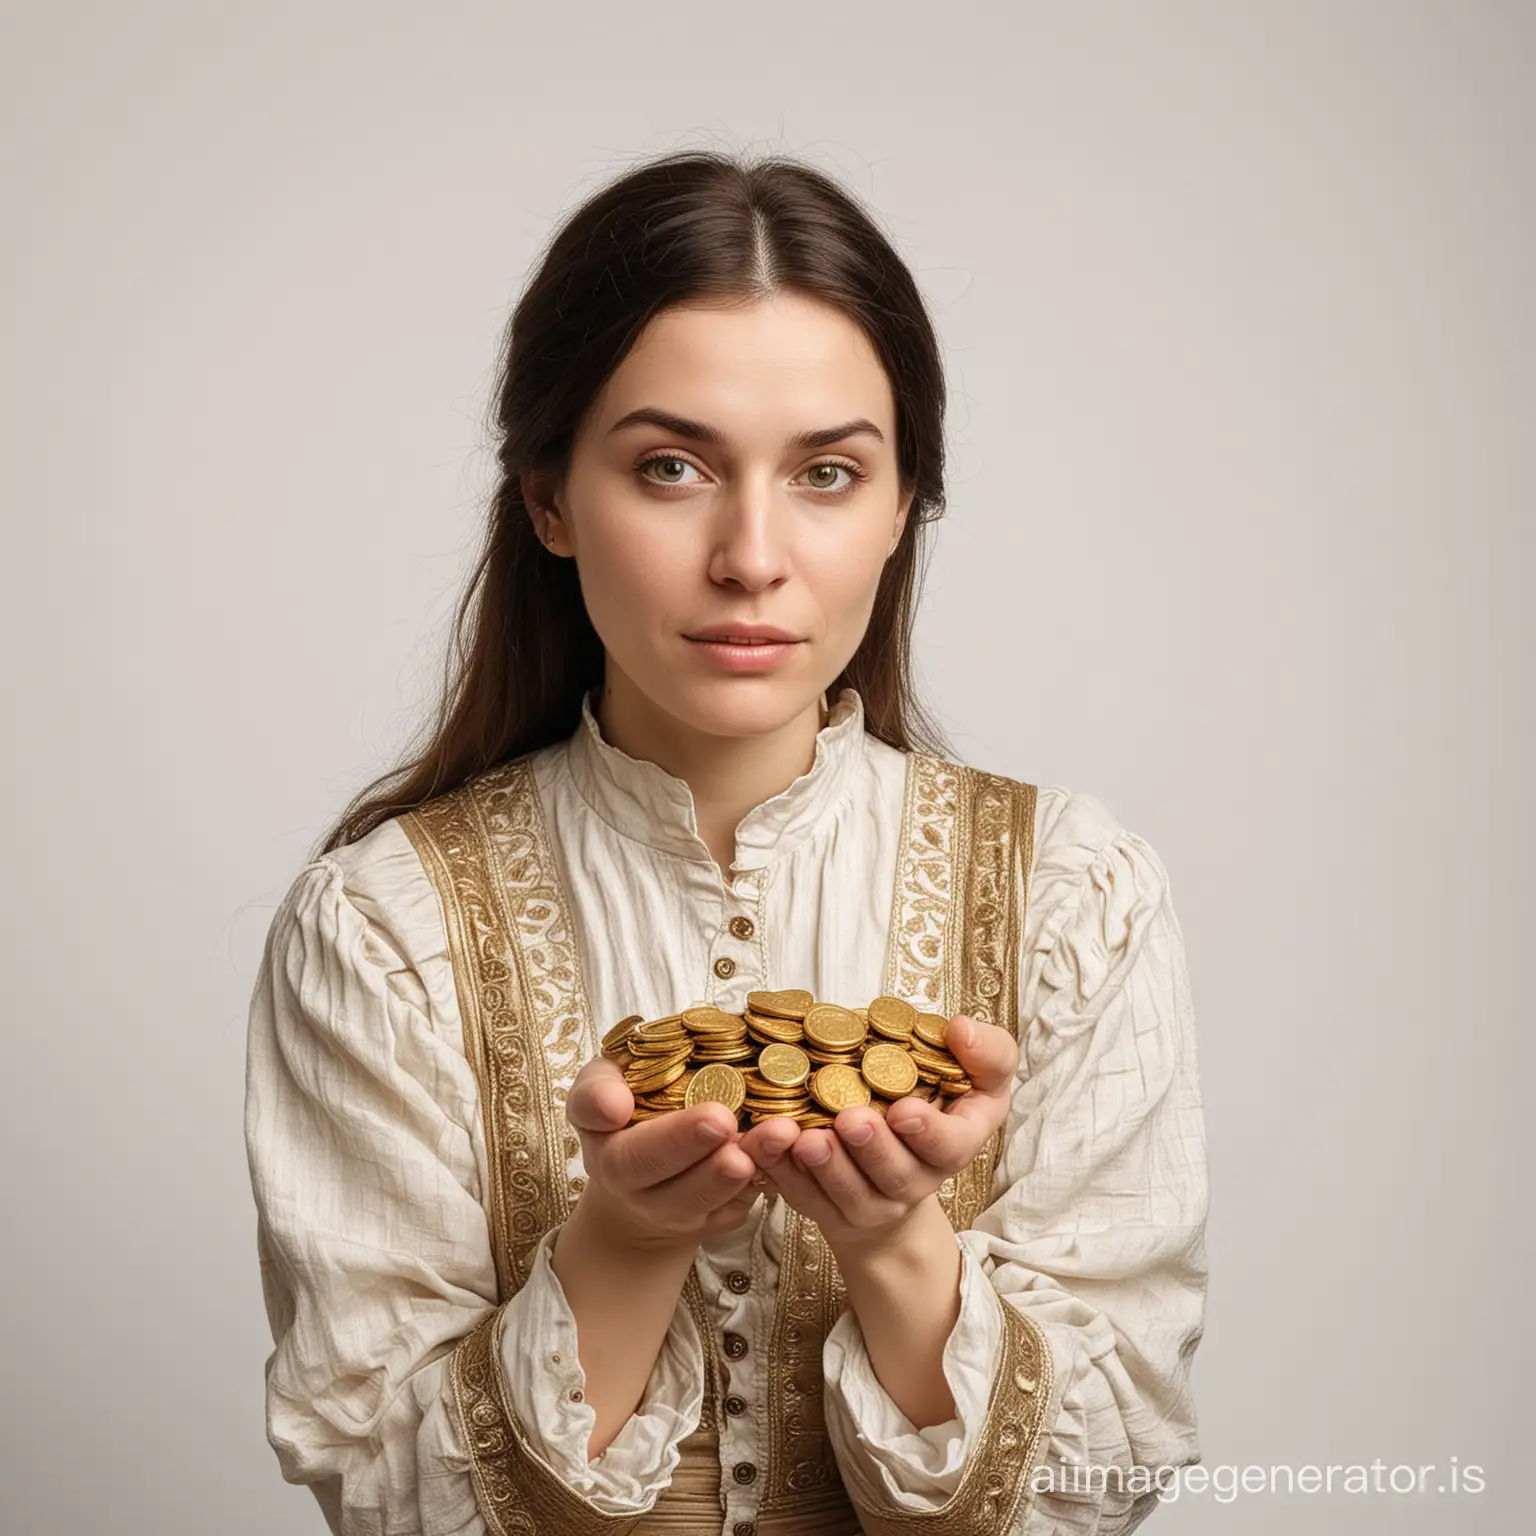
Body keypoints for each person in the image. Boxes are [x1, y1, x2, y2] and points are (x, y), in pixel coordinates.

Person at [244, 149, 1209, 1536]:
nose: (751, 553)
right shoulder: (380, 931)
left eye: (826, 472)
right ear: (551, 500)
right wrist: (623, 1243)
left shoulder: (1076, 900)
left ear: (902, 508)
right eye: (673, 465)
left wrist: (894, 1244)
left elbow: (1100, 1484)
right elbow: (388, 1497)